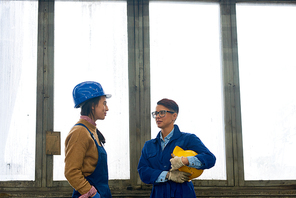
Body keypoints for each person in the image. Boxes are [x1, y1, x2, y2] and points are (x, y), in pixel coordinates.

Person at [137, 98, 216, 198]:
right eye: (156, 113)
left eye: (162, 113)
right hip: (158, 194)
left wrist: (185, 160)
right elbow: (143, 171)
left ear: (174, 116)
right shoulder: (149, 145)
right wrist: (168, 175)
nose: (157, 116)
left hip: (183, 193)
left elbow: (210, 159)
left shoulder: (188, 139)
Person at [65, 81, 112, 198]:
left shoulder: (92, 130)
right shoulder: (80, 132)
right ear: (92, 105)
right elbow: (71, 171)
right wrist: (92, 193)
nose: (107, 108)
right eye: (104, 103)